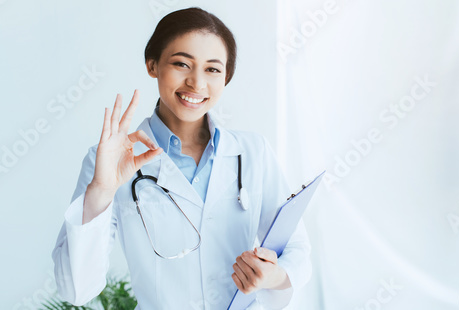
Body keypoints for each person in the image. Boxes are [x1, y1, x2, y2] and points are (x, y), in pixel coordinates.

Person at [51, 7, 310, 309]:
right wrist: (101, 192)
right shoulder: (108, 163)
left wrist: (273, 276)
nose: (197, 83)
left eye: (212, 69)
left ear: (226, 77)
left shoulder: (253, 152)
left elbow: (297, 249)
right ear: (152, 65)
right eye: (181, 64)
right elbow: (74, 290)